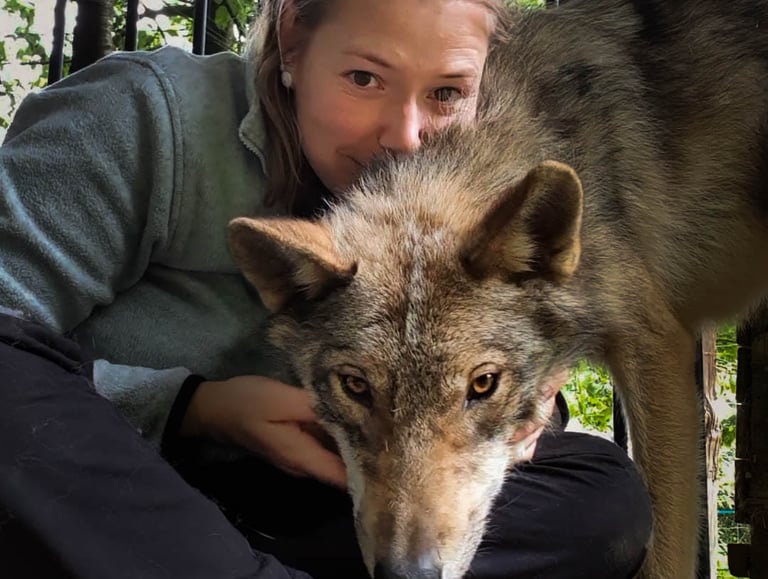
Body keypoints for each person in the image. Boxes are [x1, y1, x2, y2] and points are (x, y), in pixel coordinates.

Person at [0, 0, 653, 578]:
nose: (405, 134)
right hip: (114, 471)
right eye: (364, 78)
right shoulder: (144, 113)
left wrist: (520, 399)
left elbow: (450, 401)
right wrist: (189, 406)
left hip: (289, 501)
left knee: (602, 493)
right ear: (292, 41)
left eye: (448, 93)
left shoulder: (461, 210)